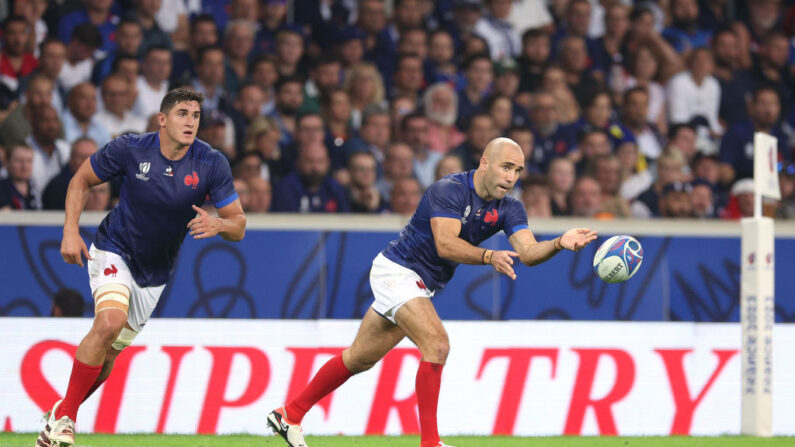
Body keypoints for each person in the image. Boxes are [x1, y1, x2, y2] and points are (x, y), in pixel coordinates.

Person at [267, 137, 597, 447]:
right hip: (396, 271)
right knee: (437, 344)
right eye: (506, 167)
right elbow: (445, 243)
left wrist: (558, 243)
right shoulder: (449, 189)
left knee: (359, 358)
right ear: (485, 163)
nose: (512, 177)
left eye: (518, 170)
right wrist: (488, 256)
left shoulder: (510, 208)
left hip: (420, 286)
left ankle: (290, 414)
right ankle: (429, 443)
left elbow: (527, 252)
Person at [37, 88, 246, 447]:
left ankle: (58, 419)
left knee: (110, 354)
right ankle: (66, 419)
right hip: (114, 248)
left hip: (156, 272)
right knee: (109, 321)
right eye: (182, 113)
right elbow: (81, 180)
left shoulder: (211, 163)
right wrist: (70, 231)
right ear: (162, 120)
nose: (190, 122)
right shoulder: (131, 148)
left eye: (196, 115)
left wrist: (220, 224)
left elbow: (239, 224)